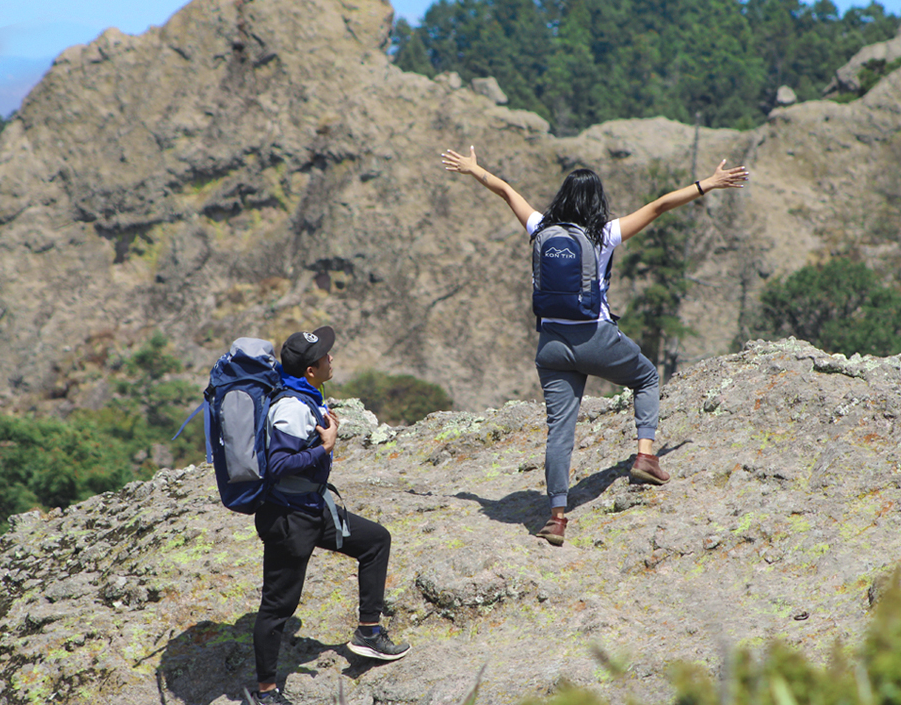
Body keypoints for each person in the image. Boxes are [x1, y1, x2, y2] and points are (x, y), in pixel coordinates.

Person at [441, 146, 748, 546]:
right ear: (596, 201)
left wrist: (473, 169)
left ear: (562, 198)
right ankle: (645, 457)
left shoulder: (539, 227)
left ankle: (555, 517)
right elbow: (659, 207)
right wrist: (708, 183)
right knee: (646, 378)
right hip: (595, 337)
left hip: (551, 345)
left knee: (559, 432)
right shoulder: (603, 234)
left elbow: (505, 190)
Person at [251, 326, 410, 704]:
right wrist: (325, 447)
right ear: (310, 369)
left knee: (375, 541)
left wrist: (323, 423)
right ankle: (265, 692)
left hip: (312, 509)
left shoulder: (305, 394)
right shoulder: (290, 407)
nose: (331, 358)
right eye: (325, 355)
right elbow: (278, 465)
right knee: (278, 607)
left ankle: (368, 634)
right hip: (289, 521)